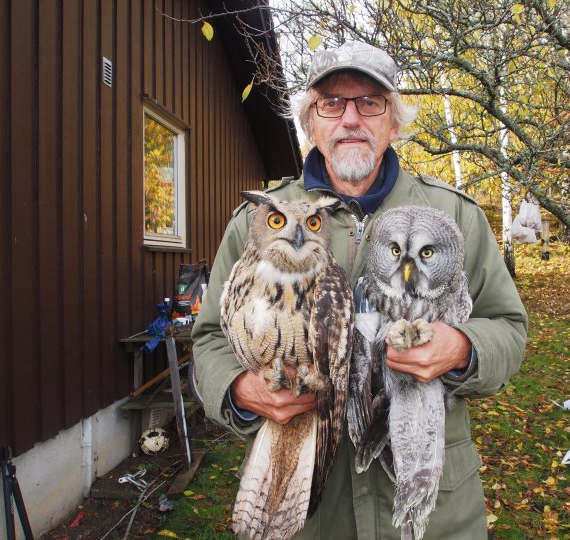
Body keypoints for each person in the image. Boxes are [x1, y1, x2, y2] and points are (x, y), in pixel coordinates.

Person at [191, 40, 527, 539]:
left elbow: (508, 328)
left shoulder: (455, 216)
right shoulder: (261, 220)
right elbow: (209, 339)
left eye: (370, 102)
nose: (351, 118)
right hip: (306, 498)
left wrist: (462, 349)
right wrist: (242, 390)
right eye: (332, 103)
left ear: (394, 120)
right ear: (311, 121)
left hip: (429, 509)